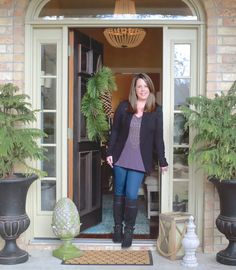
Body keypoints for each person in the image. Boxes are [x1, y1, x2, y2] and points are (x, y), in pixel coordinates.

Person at [106, 73, 168, 248]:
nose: (143, 89)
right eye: (139, 86)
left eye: (146, 86)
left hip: (140, 160)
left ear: (150, 88)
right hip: (120, 157)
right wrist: (110, 152)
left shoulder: (157, 110)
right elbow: (115, 131)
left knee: (131, 194)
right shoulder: (124, 107)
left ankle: (129, 230)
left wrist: (162, 160)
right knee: (118, 194)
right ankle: (117, 227)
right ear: (134, 89)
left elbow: (158, 138)